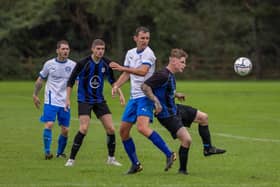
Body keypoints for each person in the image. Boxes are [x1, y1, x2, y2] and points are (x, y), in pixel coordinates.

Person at [141, 48, 226, 175]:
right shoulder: (162, 75)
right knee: (187, 140)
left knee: (203, 117)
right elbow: (145, 86)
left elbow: (165, 90)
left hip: (175, 109)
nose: (184, 65)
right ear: (174, 61)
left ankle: (208, 149)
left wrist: (176, 94)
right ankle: (182, 171)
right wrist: (156, 102)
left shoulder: (170, 75)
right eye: (182, 62)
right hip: (167, 115)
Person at [110, 26, 176, 174]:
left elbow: (142, 72)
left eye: (147, 38)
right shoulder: (130, 53)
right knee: (123, 131)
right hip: (134, 98)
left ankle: (169, 153)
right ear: (135, 38)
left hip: (146, 96)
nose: (145, 41)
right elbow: (127, 75)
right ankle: (135, 165)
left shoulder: (149, 54)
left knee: (142, 128)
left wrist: (122, 68)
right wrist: (116, 85)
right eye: (142, 38)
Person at [64, 39, 125, 167]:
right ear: (92, 49)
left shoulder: (106, 63)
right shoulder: (83, 63)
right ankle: (71, 159)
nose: (100, 51)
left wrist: (120, 94)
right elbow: (70, 82)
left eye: (102, 49)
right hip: (84, 100)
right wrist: (67, 99)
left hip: (99, 100)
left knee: (111, 129)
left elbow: (113, 81)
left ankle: (111, 159)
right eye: (98, 49)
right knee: (84, 128)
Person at [32, 40, 76, 160]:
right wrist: (35, 94)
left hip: (65, 100)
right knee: (49, 124)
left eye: (67, 49)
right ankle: (47, 152)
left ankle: (60, 153)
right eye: (63, 49)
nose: (65, 51)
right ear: (57, 50)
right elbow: (40, 80)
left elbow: (77, 81)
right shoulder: (49, 64)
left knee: (65, 130)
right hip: (51, 99)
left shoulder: (73, 65)